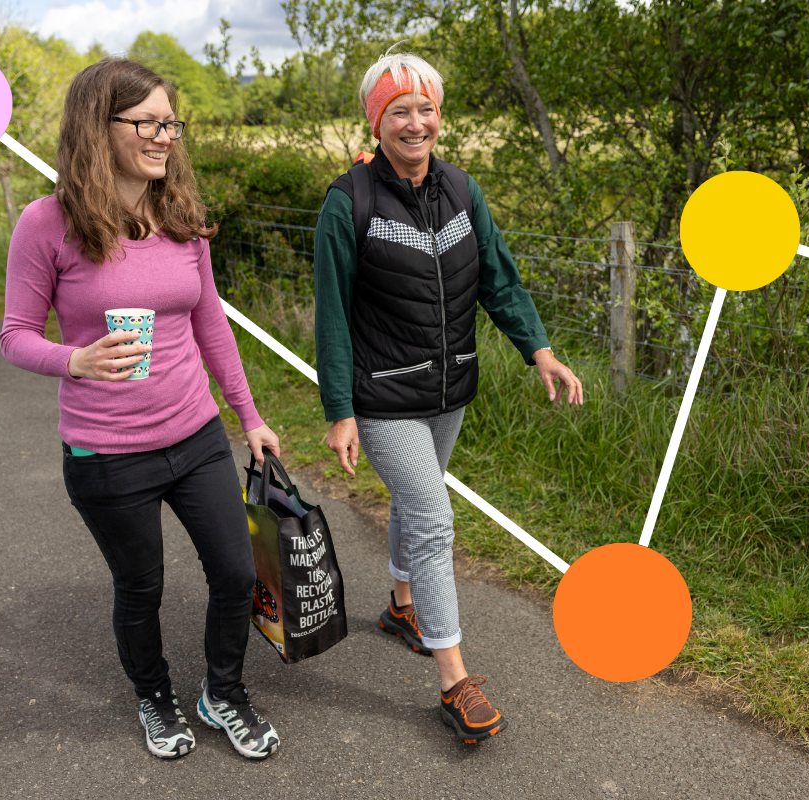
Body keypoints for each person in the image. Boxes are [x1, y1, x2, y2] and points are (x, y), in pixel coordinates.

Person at [0, 58, 281, 761]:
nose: (165, 137)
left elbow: (211, 323)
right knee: (141, 587)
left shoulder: (179, 215)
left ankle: (224, 693)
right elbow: (14, 337)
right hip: (106, 451)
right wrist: (77, 359)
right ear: (101, 126)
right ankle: (154, 695)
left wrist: (248, 417)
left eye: (170, 123)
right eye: (149, 123)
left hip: (196, 436)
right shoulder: (47, 224)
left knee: (238, 574)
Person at [313, 49, 583, 743]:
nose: (415, 122)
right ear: (376, 122)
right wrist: (340, 411)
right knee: (433, 519)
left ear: (439, 116)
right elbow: (333, 314)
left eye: (425, 108)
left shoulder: (463, 190)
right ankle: (455, 680)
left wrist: (539, 350)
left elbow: (497, 276)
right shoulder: (349, 203)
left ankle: (402, 604)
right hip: (382, 398)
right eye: (398, 110)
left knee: (417, 498)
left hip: (450, 389)